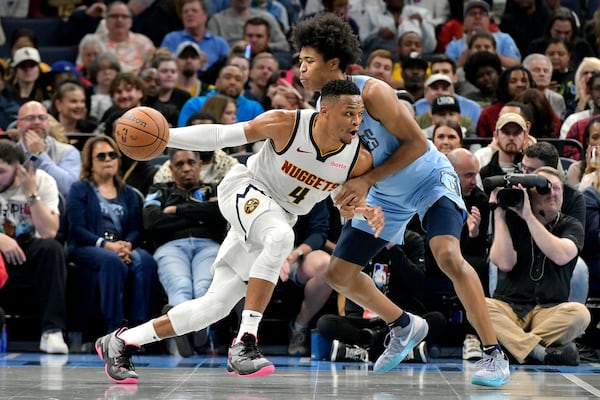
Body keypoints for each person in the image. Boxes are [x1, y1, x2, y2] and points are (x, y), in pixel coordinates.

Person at [95, 79, 383, 383]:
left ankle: (121, 341)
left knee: (213, 307)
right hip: (246, 188)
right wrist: (166, 137)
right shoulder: (287, 123)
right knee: (281, 238)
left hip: (276, 216)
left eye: (360, 114)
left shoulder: (357, 158)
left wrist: (360, 209)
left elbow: (341, 202)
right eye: (349, 113)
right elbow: (221, 134)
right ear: (324, 111)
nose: (357, 121)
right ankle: (245, 342)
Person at [292, 13, 509, 387]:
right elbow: (342, 177)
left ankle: (493, 353)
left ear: (332, 63)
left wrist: (367, 182)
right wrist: (350, 203)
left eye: (308, 60)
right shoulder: (321, 115)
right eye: (299, 61)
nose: (300, 69)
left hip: (427, 177)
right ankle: (404, 324)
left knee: (447, 254)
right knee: (338, 274)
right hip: (385, 194)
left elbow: (415, 144)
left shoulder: (372, 92)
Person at [487, 166, 590, 365]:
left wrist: (529, 217)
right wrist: (498, 214)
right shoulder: (510, 220)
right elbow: (505, 263)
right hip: (509, 308)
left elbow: (561, 255)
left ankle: (513, 346)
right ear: (529, 195)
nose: (552, 193)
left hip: (549, 310)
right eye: (544, 188)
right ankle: (539, 352)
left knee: (580, 314)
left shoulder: (571, 225)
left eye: (557, 188)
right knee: (479, 306)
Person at [66, 135, 157, 333]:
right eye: (101, 156)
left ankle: (139, 328)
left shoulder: (128, 192)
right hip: (87, 246)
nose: (108, 159)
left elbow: (135, 228)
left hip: (121, 246)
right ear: (90, 162)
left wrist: (127, 245)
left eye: (112, 155)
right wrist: (107, 245)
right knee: (111, 261)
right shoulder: (79, 189)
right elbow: (77, 229)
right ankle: (114, 327)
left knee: (145, 260)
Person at [143, 148, 228, 356]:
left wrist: (178, 210)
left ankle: (190, 333)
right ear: (171, 169)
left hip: (208, 245)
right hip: (171, 246)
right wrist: (201, 214)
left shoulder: (214, 189)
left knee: (202, 288)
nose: (186, 168)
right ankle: (192, 335)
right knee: (180, 286)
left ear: (200, 166)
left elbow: (220, 214)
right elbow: (151, 220)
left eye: (191, 162)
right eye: (179, 164)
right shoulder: (159, 190)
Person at [0, 139, 69, 354]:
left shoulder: (43, 182)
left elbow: (49, 232)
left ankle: (52, 331)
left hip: (30, 249)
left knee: (52, 249)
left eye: (1, 171)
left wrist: (31, 194)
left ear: (18, 168)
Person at [15, 101, 82, 199]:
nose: (37, 122)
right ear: (18, 124)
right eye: (30, 118)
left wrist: (40, 155)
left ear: (48, 123)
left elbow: (70, 189)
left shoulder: (67, 152)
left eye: (42, 118)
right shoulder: (8, 153)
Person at [160, 0, 230, 72]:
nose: (189, 14)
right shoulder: (171, 39)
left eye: (194, 11)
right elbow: (162, 65)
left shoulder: (219, 43)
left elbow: (228, 68)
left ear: (205, 16)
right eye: (185, 12)